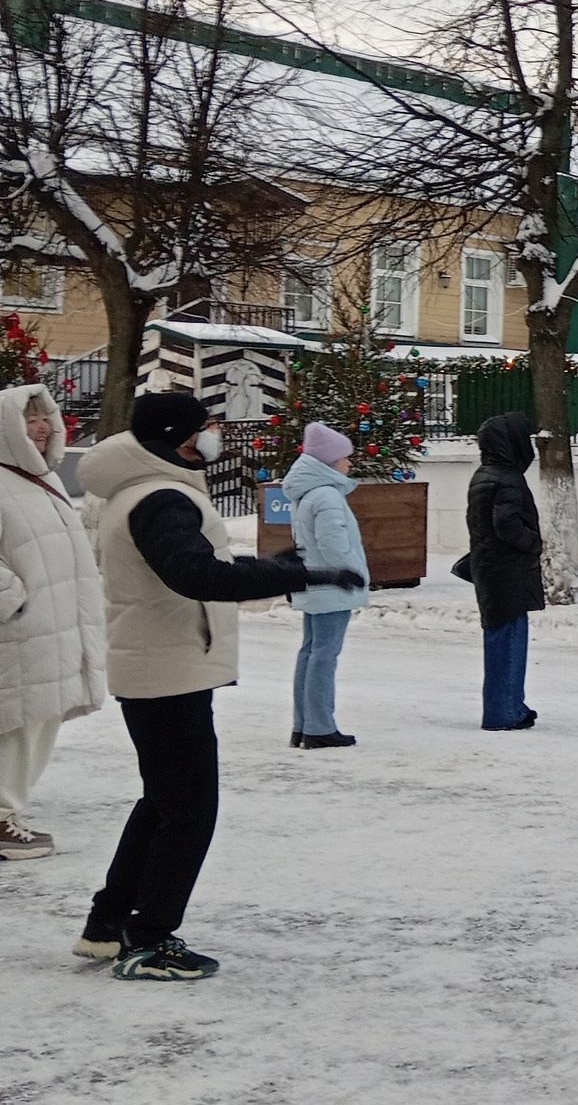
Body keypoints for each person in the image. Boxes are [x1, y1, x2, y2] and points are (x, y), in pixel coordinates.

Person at [75, 392, 361, 979]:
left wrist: (276, 568)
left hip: (163, 664)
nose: (216, 434)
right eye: (208, 425)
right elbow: (194, 574)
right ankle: (150, 940)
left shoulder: (150, 489)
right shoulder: (160, 496)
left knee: (163, 802)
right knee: (188, 811)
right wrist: (293, 573)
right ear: (180, 434)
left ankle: (108, 923)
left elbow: (190, 568)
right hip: (167, 669)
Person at [0, 383, 106, 858]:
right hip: (21, 631)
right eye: (30, 418)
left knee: (37, 721)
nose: (41, 427)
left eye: (46, 417)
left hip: (48, 631)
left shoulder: (39, 479)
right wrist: (12, 601)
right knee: (19, 726)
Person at [283, 421, 369, 750]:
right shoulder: (327, 495)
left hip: (313, 581)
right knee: (325, 654)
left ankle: (303, 724)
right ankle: (319, 726)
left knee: (310, 651)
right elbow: (333, 544)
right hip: (332, 584)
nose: (349, 463)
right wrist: (350, 569)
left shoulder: (308, 493)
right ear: (330, 461)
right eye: (345, 457)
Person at [465, 411, 544, 731]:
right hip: (507, 570)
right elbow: (506, 524)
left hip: (489, 567)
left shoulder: (485, 473)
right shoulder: (507, 477)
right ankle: (503, 711)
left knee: (501, 639)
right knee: (509, 641)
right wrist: (533, 542)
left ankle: (510, 704)